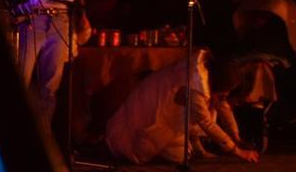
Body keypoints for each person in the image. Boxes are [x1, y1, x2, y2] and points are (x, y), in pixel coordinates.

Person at [105, 50, 259, 165]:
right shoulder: (194, 85)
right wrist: (237, 151)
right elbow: (206, 122)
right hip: (148, 119)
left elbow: (222, 105)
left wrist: (235, 136)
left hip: (166, 118)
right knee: (153, 153)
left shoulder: (202, 76)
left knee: (181, 154)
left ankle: (187, 144)